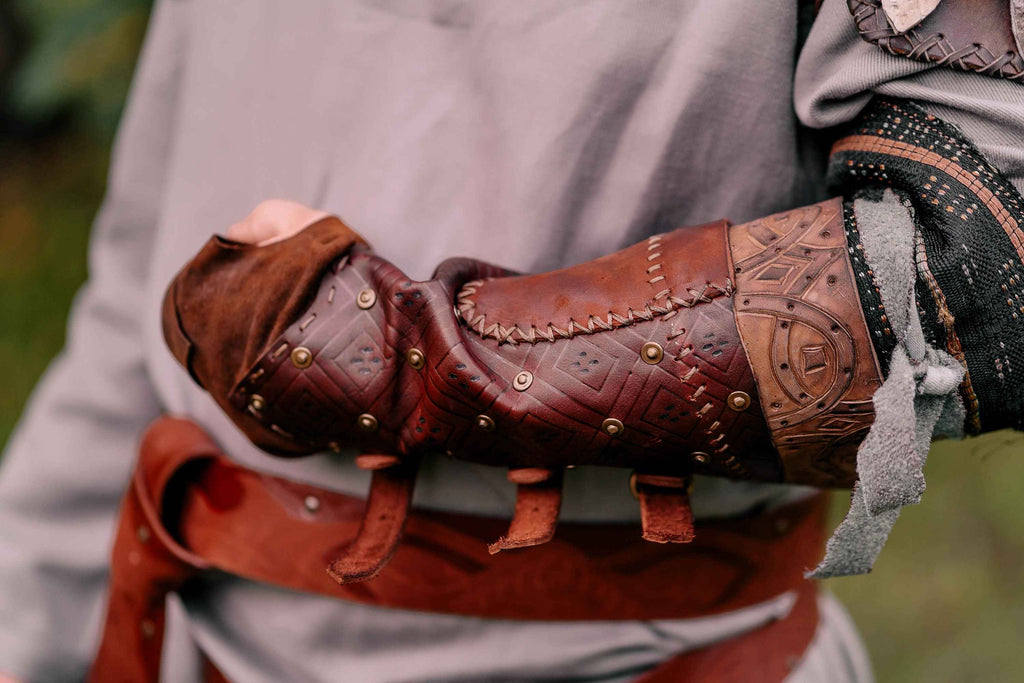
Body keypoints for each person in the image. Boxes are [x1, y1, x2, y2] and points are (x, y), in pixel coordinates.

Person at [1, 0, 1022, 680]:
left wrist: (418, 364)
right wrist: (26, 619)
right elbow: (136, 303)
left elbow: (987, 257)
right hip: (193, 641)